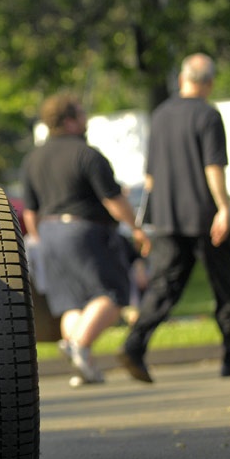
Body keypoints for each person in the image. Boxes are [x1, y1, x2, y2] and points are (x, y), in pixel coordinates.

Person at [117, 53, 230, 383]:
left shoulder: (160, 116)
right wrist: (223, 207)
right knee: (225, 288)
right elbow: (213, 166)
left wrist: (145, 218)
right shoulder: (208, 115)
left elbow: (150, 176)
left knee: (164, 285)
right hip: (204, 215)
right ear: (209, 82)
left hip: (166, 216)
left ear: (181, 79)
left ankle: (134, 344)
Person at [21, 94, 149, 386]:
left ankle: (84, 365)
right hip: (85, 231)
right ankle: (78, 344)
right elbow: (112, 199)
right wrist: (135, 227)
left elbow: (31, 212)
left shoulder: (33, 159)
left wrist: (42, 240)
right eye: (81, 114)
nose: (85, 120)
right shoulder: (87, 154)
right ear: (69, 121)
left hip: (48, 233)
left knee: (71, 302)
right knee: (112, 293)